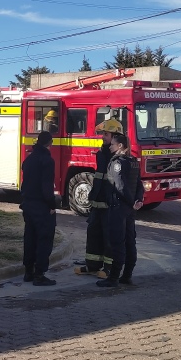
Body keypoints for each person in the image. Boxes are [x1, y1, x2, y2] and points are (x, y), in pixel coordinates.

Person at [75, 118, 124, 279]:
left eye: (106, 134)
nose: (103, 136)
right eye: (103, 133)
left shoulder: (118, 158)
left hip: (110, 203)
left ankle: (109, 268)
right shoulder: (102, 153)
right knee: (93, 233)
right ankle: (92, 265)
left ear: (115, 136)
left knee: (109, 235)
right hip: (97, 200)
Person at [97, 133, 145, 288]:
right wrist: (138, 201)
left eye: (112, 144)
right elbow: (139, 185)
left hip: (119, 207)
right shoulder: (133, 162)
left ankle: (113, 278)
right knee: (130, 241)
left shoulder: (117, 163)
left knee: (118, 242)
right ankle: (127, 276)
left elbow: (120, 186)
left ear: (120, 146)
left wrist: (132, 202)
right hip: (130, 209)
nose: (109, 146)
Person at [20, 130, 58, 286]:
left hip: (28, 204)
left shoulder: (29, 159)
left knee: (30, 238)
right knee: (44, 239)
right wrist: (52, 205)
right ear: (49, 143)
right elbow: (46, 187)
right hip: (41, 206)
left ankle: (28, 271)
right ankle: (39, 274)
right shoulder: (47, 161)